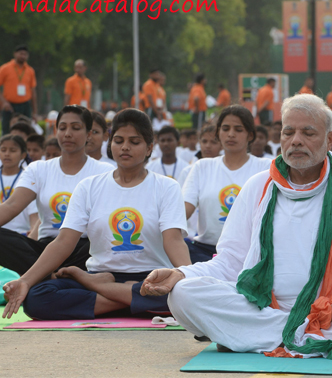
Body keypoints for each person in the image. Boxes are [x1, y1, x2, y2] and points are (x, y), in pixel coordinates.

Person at [141, 93, 332, 359]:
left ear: (330, 139)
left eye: (308, 133)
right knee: (182, 295)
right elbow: (230, 262)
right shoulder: (257, 186)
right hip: (266, 307)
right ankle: (307, 327)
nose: (296, 141)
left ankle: (254, 337)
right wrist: (181, 273)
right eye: (289, 133)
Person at [2, 108, 191, 320]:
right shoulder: (89, 186)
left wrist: (190, 279)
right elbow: (64, 242)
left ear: (149, 148)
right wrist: (25, 281)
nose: (125, 147)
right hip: (102, 273)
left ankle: (107, 295)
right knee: (37, 298)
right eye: (118, 140)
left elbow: (174, 241)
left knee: (181, 293)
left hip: (150, 277)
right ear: (110, 144)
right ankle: (133, 303)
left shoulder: (166, 187)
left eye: (134, 142)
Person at [0, 105, 114, 276]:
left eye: (75, 128)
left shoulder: (104, 171)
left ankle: (47, 276)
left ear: (89, 134)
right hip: (43, 249)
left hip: (84, 249)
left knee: (102, 244)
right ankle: (48, 275)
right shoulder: (38, 169)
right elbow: (11, 205)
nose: (68, 133)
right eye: (62, 128)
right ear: (56, 131)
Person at [181, 105, 271, 263]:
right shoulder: (202, 167)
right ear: (218, 133)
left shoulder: (265, 167)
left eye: (238, 129)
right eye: (225, 128)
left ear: (250, 135)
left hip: (251, 252)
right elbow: (184, 209)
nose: (231, 134)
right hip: (205, 251)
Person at [0, 135, 38, 235]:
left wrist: (33, 232)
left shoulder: (29, 178)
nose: (7, 154)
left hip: (21, 235)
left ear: (23, 155)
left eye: (12, 150)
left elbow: (34, 215)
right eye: (3, 150)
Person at [0, 45, 38, 135]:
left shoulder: (30, 70)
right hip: (9, 105)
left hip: (25, 105)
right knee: (7, 130)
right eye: (21, 53)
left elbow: (33, 91)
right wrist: (4, 102)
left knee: (26, 130)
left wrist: (35, 112)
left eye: (25, 54)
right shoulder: (5, 68)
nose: (23, 56)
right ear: (15, 54)